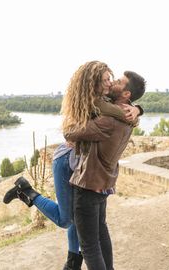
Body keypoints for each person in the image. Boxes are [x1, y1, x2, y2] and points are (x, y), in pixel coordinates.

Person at [3, 61, 142, 270]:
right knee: (67, 219)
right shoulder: (93, 102)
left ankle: (72, 261)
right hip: (66, 158)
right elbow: (76, 129)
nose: (110, 82)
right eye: (106, 80)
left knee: (79, 220)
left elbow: (117, 113)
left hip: (84, 165)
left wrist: (137, 110)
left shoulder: (108, 102)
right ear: (93, 82)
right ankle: (28, 192)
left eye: (113, 80)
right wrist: (131, 112)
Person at [64, 70, 146, 270]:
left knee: (89, 246)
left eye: (118, 81)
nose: (113, 83)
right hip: (103, 184)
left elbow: (70, 132)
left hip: (88, 185)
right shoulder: (128, 116)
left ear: (126, 94)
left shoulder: (108, 120)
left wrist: (73, 118)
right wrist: (138, 110)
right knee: (101, 235)